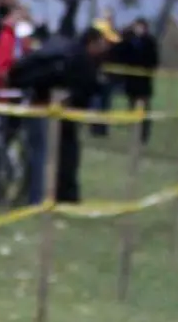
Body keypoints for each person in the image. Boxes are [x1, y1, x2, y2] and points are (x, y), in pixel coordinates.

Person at [9, 19, 120, 204]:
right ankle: (40, 198)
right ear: (93, 41)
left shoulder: (77, 56)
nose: (107, 48)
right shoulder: (78, 59)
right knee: (43, 155)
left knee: (44, 154)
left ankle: (44, 195)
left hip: (51, 111)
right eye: (104, 43)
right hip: (46, 110)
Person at [112, 17, 160, 145]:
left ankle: (144, 135)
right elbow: (119, 52)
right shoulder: (129, 41)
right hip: (131, 82)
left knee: (144, 109)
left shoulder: (150, 42)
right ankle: (134, 133)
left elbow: (153, 60)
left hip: (143, 82)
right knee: (132, 107)